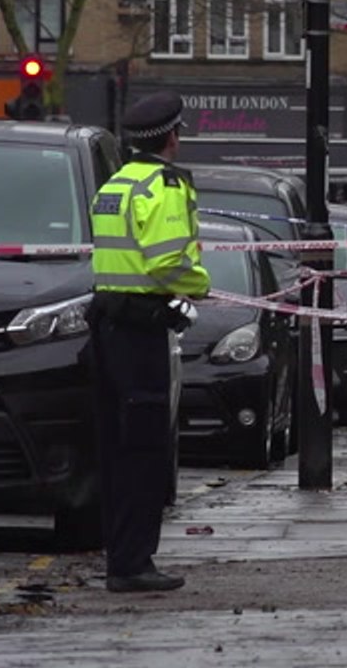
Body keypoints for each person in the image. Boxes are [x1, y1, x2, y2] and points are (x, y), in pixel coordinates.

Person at [88, 90, 210, 593]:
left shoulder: (115, 184)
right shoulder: (163, 188)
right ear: (172, 137)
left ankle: (121, 556)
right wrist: (199, 283)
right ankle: (134, 564)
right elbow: (166, 262)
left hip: (109, 324)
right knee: (144, 449)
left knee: (117, 450)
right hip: (140, 331)